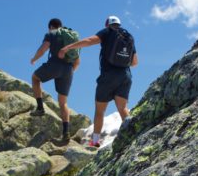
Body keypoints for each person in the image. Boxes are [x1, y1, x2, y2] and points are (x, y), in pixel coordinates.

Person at [58, 15, 137, 148]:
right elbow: (135, 62)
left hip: (108, 77)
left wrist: (69, 47)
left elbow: (90, 40)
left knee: (100, 111)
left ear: (107, 24)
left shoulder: (107, 32)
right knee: (123, 108)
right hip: (125, 76)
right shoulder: (128, 37)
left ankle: (95, 142)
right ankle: (133, 134)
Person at [29, 18, 80, 142]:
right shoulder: (72, 37)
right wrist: (69, 71)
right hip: (68, 69)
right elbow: (77, 61)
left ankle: (40, 108)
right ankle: (66, 132)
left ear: (51, 26)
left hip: (54, 64)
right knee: (63, 103)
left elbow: (43, 49)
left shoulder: (51, 33)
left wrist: (34, 59)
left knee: (35, 78)